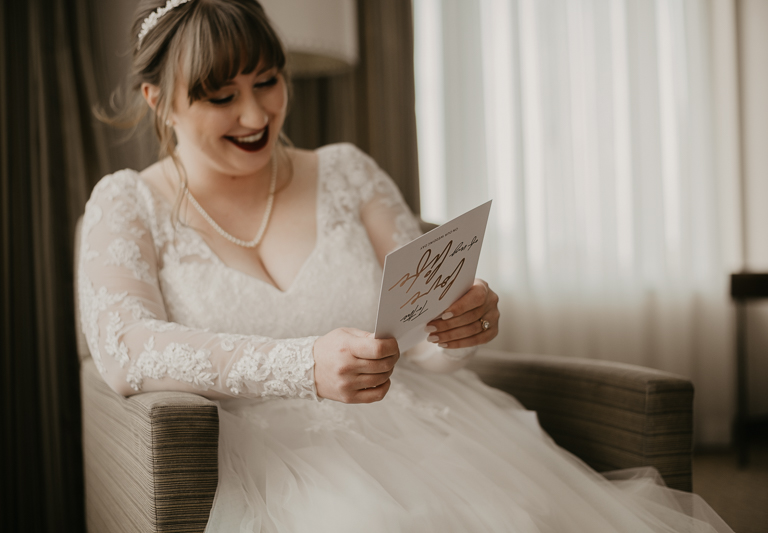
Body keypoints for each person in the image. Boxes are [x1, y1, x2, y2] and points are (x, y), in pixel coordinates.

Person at [80, 0, 733, 531]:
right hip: (258, 453)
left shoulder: (345, 170)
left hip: (416, 428)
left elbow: (419, 335)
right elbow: (124, 347)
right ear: (159, 100)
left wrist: (460, 323)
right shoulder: (127, 202)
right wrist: (302, 364)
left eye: (268, 82)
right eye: (221, 96)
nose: (256, 115)